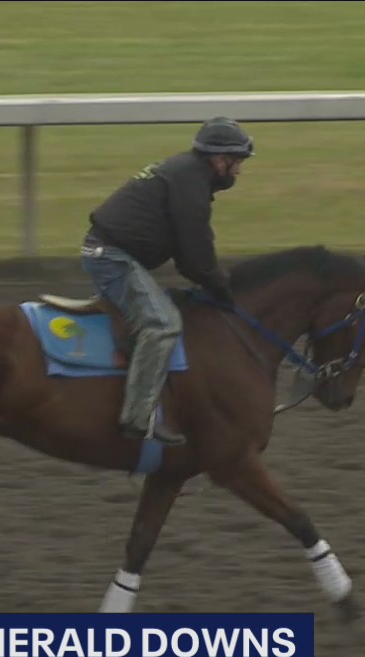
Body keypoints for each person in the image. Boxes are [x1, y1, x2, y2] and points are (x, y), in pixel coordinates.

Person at [80, 116, 255, 446]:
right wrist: (221, 289)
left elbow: (192, 254)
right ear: (220, 160)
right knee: (162, 323)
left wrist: (213, 281)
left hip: (115, 252)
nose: (239, 171)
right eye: (237, 162)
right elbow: (195, 254)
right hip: (111, 257)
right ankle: (137, 417)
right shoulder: (190, 182)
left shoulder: (189, 174)